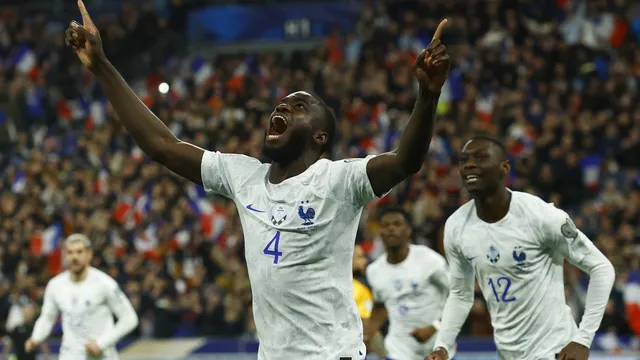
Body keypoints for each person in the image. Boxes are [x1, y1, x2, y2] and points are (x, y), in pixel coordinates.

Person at [64, 1, 450, 358]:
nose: (281, 107)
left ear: (320, 136)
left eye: (299, 107)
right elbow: (162, 145)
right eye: (281, 104)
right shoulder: (243, 175)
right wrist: (102, 67)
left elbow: (405, 162)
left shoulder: (339, 179)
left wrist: (428, 95)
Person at [426, 136, 616, 360]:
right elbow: (460, 294)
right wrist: (442, 346)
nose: (469, 164)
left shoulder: (541, 216)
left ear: (504, 167)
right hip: (507, 354)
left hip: (555, 351)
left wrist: (583, 339)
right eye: (464, 160)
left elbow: (602, 268)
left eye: (480, 158)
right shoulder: (456, 227)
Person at [25, 234, 139, 360]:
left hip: (101, 356)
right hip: (69, 355)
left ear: (89, 254)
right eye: (70, 252)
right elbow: (47, 317)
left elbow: (129, 318)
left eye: (79, 252)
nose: (74, 257)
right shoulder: (55, 285)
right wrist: (36, 337)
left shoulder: (105, 284)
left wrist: (102, 343)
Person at [364, 208, 451, 360]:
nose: (391, 228)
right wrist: (366, 335)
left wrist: (435, 326)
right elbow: (379, 306)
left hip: (437, 350)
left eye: (397, 224)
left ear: (408, 230)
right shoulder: (374, 270)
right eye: (385, 225)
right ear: (380, 232)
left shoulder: (430, 261)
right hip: (398, 351)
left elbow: (460, 297)